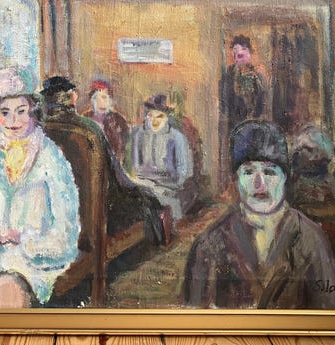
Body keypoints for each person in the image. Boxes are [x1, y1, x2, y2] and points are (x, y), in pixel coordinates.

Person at [0, 67, 80, 308]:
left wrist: (25, 239)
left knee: (8, 284)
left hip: (36, 252)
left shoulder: (51, 157)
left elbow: (66, 226)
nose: (13, 121)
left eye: (21, 111)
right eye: (5, 112)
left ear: (33, 112)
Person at [184, 120, 335, 309]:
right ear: (236, 179)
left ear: (284, 177)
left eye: (269, 172)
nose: (259, 183)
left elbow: (327, 311)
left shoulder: (311, 239)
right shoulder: (209, 245)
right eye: (248, 172)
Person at [40, 76, 164, 251]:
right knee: (147, 200)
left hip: (54, 210)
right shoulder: (89, 130)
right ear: (73, 97)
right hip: (96, 210)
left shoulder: (38, 129)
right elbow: (117, 175)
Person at [130, 94, 194, 223]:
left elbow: (184, 172)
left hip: (170, 189)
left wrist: (164, 185)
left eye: (159, 116)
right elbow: (135, 167)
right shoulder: (139, 134)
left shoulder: (177, 137)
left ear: (166, 117)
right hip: (145, 186)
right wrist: (146, 183)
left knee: (161, 210)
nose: (154, 120)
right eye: (151, 116)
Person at [220, 34, 267, 134]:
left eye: (244, 50)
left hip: (254, 128)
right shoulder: (228, 77)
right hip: (234, 128)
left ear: (250, 53)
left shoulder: (258, 78)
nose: (239, 53)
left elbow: (262, 104)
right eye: (235, 51)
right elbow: (224, 106)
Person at [82, 79, 129, 163]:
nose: (101, 101)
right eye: (96, 98)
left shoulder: (119, 121)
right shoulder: (85, 119)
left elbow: (123, 149)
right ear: (92, 100)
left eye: (104, 97)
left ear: (110, 100)